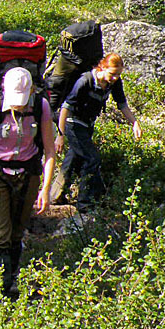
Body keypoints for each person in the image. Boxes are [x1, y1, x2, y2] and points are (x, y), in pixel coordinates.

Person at [0, 67, 55, 301]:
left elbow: (49, 151)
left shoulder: (41, 107)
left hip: (28, 175)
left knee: (17, 233)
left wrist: (46, 189)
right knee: (0, 235)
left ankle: (9, 283)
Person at [54, 52, 141, 212]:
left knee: (72, 159)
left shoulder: (114, 83)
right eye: (113, 74)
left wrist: (134, 123)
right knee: (92, 159)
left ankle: (55, 195)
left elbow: (122, 104)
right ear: (103, 67)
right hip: (73, 123)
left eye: (118, 75)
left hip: (88, 125)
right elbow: (66, 107)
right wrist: (60, 135)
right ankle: (85, 203)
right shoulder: (85, 81)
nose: (115, 78)